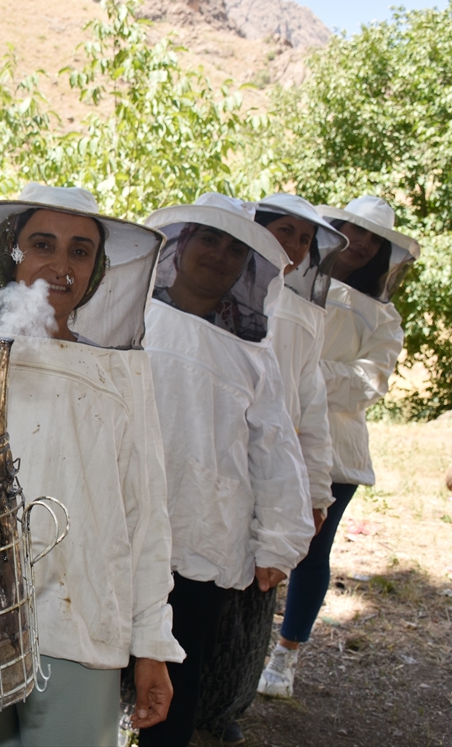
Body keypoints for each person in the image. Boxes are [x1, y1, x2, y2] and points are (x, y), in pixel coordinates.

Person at [0, 183, 183, 747]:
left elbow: (144, 510)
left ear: (97, 270)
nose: (61, 265)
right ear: (10, 253)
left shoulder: (119, 372)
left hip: (80, 614)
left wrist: (152, 645)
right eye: (43, 244)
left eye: (80, 251)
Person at [137, 193, 313, 747]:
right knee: (100, 672)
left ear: (247, 269)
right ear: (180, 246)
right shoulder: (129, 318)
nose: (218, 254)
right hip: (122, 523)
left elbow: (275, 449)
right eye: (208, 239)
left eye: (235, 248)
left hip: (204, 536)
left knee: (176, 686)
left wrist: (280, 540)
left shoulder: (255, 356)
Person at [191, 193, 349, 745]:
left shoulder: (305, 317)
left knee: (249, 604)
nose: (296, 246)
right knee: (186, 591)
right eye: (286, 231)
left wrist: (316, 490)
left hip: (268, 473)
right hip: (208, 467)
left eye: (306, 239)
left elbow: (308, 406)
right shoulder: (209, 291)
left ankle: (221, 704)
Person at [259, 196, 420, 700]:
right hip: (266, 428)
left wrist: (307, 372)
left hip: (335, 451)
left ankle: (286, 654)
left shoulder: (383, 318)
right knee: (255, 542)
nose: (361, 243)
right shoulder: (289, 283)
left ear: (382, 252)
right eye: (352, 230)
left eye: (372, 239)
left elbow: (368, 382)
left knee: (310, 550)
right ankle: (236, 653)